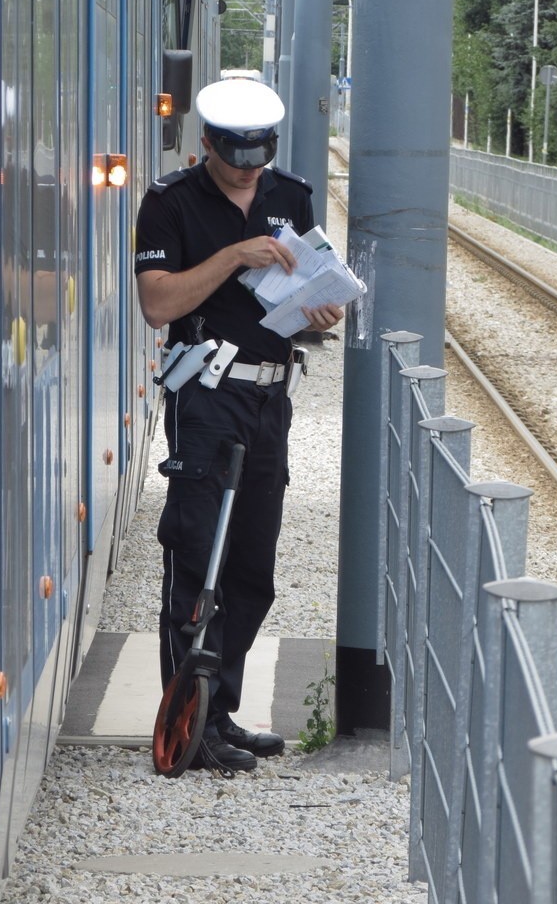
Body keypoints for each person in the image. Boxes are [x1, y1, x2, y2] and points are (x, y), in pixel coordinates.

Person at [135, 78, 344, 772]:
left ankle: (219, 711)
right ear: (207, 146)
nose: (249, 168)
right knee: (197, 557)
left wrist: (321, 312)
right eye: (235, 156)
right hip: (207, 395)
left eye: (259, 154)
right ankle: (186, 722)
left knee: (253, 567)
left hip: (271, 397)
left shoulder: (293, 195)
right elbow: (157, 306)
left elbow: (307, 284)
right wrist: (234, 256)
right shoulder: (170, 202)